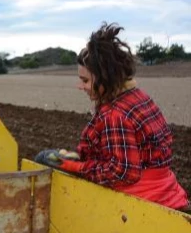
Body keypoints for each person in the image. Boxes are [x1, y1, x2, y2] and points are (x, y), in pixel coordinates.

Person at [36, 22, 189, 211]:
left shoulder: (115, 115)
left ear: (105, 78)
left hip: (142, 200)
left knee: (43, 160)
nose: (80, 86)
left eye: (85, 80)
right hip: (167, 190)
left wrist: (75, 167)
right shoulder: (138, 96)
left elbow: (122, 173)